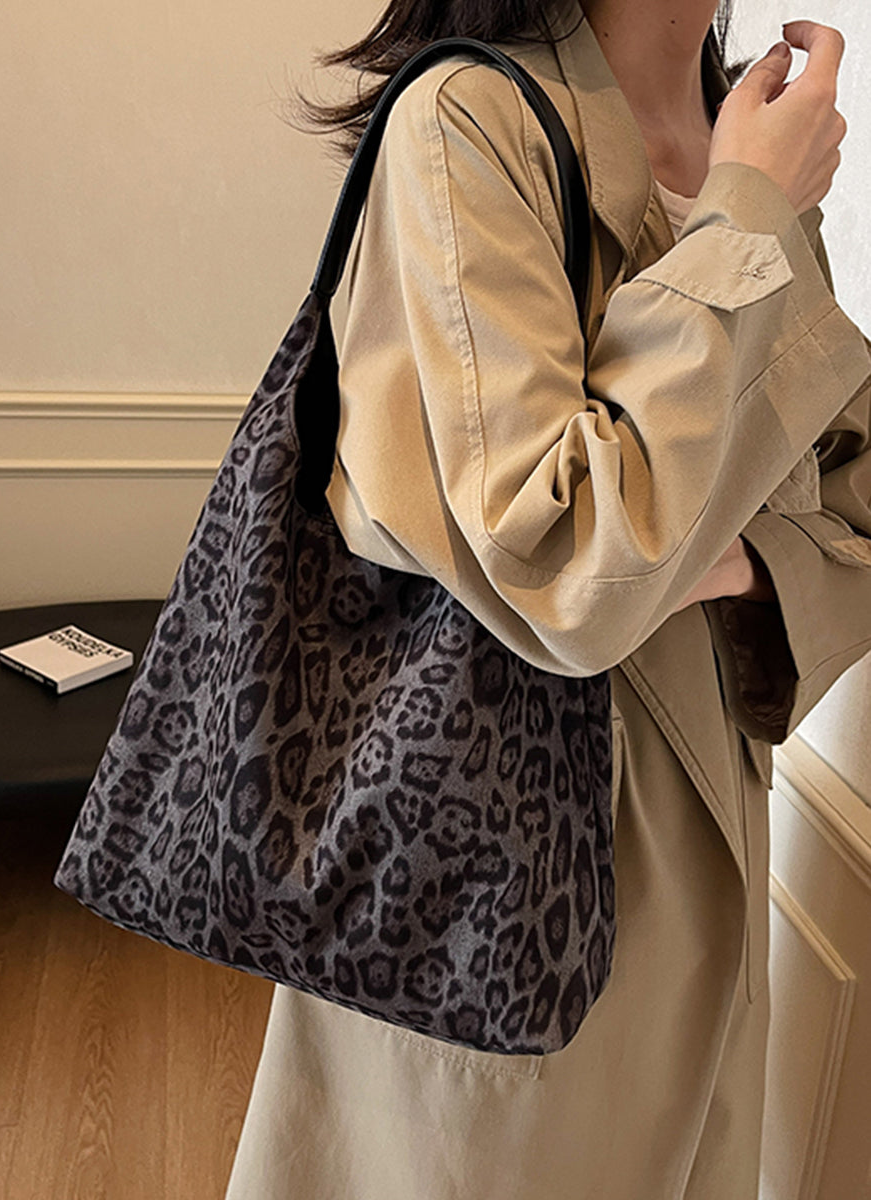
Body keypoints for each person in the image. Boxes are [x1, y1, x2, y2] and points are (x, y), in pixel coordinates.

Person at [224, 2, 871, 1197]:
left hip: (714, 859)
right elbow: (573, 560)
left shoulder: (746, 127)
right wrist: (749, 212)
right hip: (503, 877)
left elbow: (845, 486)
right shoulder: (468, 120)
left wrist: (742, 564)